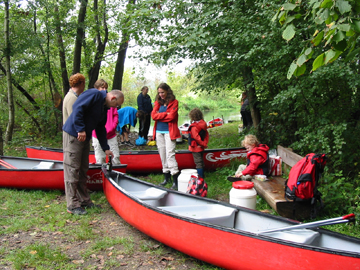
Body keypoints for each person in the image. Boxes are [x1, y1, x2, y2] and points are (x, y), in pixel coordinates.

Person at [63, 89, 124, 215]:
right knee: (72, 168)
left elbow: (101, 128)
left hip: (85, 136)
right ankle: (72, 205)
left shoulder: (104, 108)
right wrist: (80, 129)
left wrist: (106, 148)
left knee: (83, 168)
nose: (116, 108)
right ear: (113, 98)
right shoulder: (95, 94)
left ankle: (84, 200)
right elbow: (77, 107)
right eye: (117, 105)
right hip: (75, 134)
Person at [151, 83, 181, 189]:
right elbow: (153, 116)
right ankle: (166, 178)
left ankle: (175, 179)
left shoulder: (174, 102)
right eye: (159, 93)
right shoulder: (157, 103)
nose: (161, 95)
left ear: (167, 91)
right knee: (162, 154)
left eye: (162, 92)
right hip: (159, 132)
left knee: (170, 154)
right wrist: (165, 114)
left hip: (169, 132)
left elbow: (172, 117)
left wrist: (160, 115)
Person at [91, 79, 120, 165]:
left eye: (106, 88)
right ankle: (101, 175)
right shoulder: (94, 101)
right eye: (102, 87)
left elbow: (115, 115)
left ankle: (117, 174)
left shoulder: (111, 101)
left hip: (111, 134)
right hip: (97, 134)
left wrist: (113, 126)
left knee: (116, 157)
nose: (104, 90)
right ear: (97, 88)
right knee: (100, 158)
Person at [188, 108, 209, 179]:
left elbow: (196, 138)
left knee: (198, 162)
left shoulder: (194, 127)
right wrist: (204, 144)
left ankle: (200, 178)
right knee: (201, 161)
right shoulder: (204, 123)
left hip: (195, 147)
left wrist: (202, 144)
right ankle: (202, 175)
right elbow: (206, 134)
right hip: (201, 146)